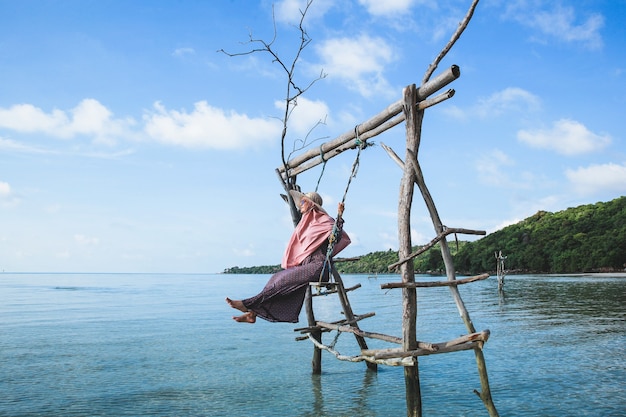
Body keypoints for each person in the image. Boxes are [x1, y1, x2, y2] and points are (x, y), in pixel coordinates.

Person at [226, 190, 351, 323]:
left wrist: (339, 215)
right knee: (276, 278)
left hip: (318, 268)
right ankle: (253, 313)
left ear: (312, 204)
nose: (300, 205)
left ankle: (246, 304)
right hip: (307, 267)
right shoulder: (307, 224)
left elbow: (335, 237)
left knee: (281, 282)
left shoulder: (325, 220)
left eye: (303, 201)